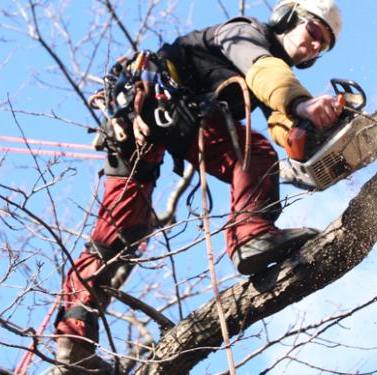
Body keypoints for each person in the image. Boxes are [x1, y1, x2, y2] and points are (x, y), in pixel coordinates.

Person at [52, 0, 345, 372]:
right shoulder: (245, 34)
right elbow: (264, 73)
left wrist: (316, 142)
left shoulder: (272, 75)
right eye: (314, 31)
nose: (315, 45)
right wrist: (302, 102)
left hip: (159, 116)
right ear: (287, 18)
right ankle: (249, 235)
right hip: (162, 102)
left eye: (324, 45)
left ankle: (72, 345)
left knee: (125, 230)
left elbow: (280, 117)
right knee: (252, 155)